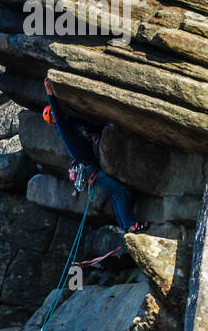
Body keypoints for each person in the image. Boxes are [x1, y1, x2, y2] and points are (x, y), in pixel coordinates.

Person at [43, 78, 147, 232]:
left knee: (116, 192)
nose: (54, 114)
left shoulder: (71, 126)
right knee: (119, 191)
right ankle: (129, 225)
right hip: (90, 170)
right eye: (52, 114)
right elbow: (57, 114)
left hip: (90, 168)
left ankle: (126, 226)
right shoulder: (63, 129)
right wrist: (50, 93)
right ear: (52, 121)